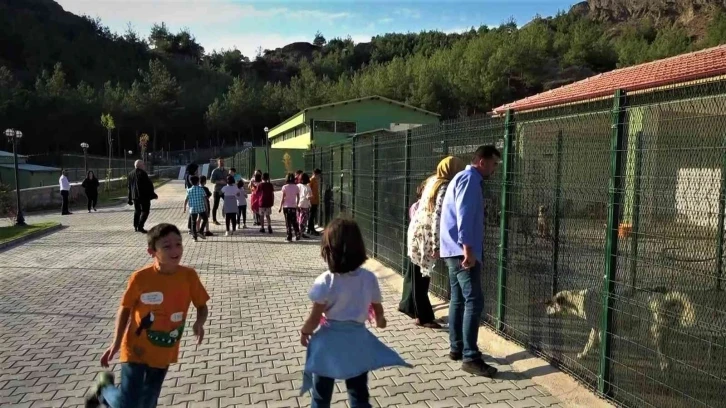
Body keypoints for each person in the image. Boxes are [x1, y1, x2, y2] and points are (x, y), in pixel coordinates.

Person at [84, 224, 209, 408]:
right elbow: (125, 309)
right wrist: (116, 342)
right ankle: (105, 389)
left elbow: (201, 305)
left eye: (178, 244)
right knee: (130, 404)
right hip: (135, 348)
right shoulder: (140, 278)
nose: (175, 250)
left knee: (148, 402)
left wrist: (200, 322)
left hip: (164, 349)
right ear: (152, 251)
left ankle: (104, 390)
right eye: (167, 246)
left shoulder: (189, 276)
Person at [299, 218, 410, 408]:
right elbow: (378, 312)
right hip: (357, 342)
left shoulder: (325, 281)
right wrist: (381, 322)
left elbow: (315, 317)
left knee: (321, 395)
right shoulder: (369, 278)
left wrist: (305, 331)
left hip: (328, 345)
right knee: (358, 393)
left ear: (328, 249)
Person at [440, 145, 501, 377]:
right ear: (482, 161)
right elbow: (464, 215)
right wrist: (468, 249)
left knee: (458, 299)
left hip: (452, 249)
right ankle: (470, 356)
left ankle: (457, 347)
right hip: (462, 251)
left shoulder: (461, 178)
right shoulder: (470, 180)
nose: (495, 169)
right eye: (494, 164)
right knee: (474, 300)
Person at [402, 157, 466, 329]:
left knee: (419, 275)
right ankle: (423, 317)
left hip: (418, 230)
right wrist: (438, 244)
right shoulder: (444, 186)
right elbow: (439, 214)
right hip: (427, 235)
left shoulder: (432, 180)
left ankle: (418, 313)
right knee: (422, 277)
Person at [127, 160, 158, 234]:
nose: (144, 166)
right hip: (143, 196)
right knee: (145, 211)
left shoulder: (130, 174)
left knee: (137, 211)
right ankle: (140, 226)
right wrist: (153, 195)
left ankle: (135, 226)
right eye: (143, 164)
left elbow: (129, 187)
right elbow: (148, 185)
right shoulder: (143, 173)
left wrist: (130, 198)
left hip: (135, 196)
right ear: (140, 165)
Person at [183, 175, 209, 241]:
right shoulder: (201, 189)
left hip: (193, 208)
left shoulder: (189, 190)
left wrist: (184, 207)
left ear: (191, 182)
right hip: (201, 208)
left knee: (193, 222)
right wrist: (207, 207)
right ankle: (201, 231)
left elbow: (186, 199)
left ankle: (195, 237)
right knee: (205, 219)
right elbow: (205, 199)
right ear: (198, 182)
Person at [279, 173, 301, 242]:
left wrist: (280, 207)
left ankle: (289, 236)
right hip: (293, 206)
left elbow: (283, 198)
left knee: (288, 221)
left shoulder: (284, 187)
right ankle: (297, 233)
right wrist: (297, 204)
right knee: (294, 221)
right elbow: (298, 197)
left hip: (286, 206)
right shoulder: (296, 187)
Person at [210, 158, 227, 225]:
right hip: (217, 190)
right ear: (218, 163)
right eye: (220, 162)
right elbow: (212, 180)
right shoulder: (215, 171)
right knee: (215, 205)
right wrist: (220, 181)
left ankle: (227, 215)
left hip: (225, 190)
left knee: (228, 202)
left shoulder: (226, 171)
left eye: (223, 161)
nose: (222, 163)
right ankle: (214, 220)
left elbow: (228, 179)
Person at [297, 173, 313, 239]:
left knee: (298, 218)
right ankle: (301, 232)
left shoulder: (297, 186)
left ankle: (298, 231)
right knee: (303, 219)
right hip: (305, 205)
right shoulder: (308, 187)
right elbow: (310, 196)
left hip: (298, 204)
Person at [185, 164, 199, 232]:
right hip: (192, 196)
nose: (197, 171)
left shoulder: (188, 175)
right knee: (193, 212)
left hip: (191, 195)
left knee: (192, 212)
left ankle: (191, 227)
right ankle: (191, 228)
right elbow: (194, 185)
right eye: (196, 169)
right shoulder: (191, 176)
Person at [308, 169, 322, 235]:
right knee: (311, 215)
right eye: (319, 175)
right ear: (316, 174)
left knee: (312, 215)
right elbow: (308, 190)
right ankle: (311, 229)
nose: (319, 177)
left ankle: (310, 229)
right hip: (312, 201)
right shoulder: (312, 180)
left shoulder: (315, 180)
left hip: (315, 200)